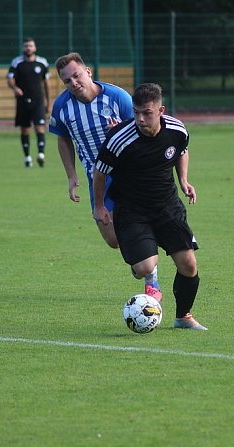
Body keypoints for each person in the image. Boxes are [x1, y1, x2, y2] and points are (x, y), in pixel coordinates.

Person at [93, 83, 207, 330]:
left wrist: (184, 181)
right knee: (146, 266)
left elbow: (181, 151)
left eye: (147, 113)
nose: (140, 119)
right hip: (132, 210)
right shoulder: (120, 138)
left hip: (167, 206)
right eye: (136, 113)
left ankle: (183, 317)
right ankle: (140, 263)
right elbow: (99, 172)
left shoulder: (177, 130)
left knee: (189, 265)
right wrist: (99, 206)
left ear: (161, 110)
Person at [49, 52, 134, 250]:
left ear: (88, 71)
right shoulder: (62, 106)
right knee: (113, 240)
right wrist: (71, 175)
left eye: (77, 75)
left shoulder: (117, 97)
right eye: (67, 80)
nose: (74, 82)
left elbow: (141, 131)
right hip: (98, 178)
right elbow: (63, 140)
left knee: (140, 226)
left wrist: (120, 131)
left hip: (131, 172)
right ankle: (142, 259)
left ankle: (149, 271)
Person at [7, 37, 51, 167]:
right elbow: (9, 79)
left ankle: (41, 154)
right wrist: (15, 88)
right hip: (22, 101)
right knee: (25, 130)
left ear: (35, 48)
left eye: (31, 46)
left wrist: (49, 102)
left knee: (40, 127)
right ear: (23, 48)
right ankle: (27, 158)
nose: (28, 48)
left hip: (38, 101)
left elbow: (46, 84)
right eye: (26, 46)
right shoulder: (17, 62)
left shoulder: (42, 63)